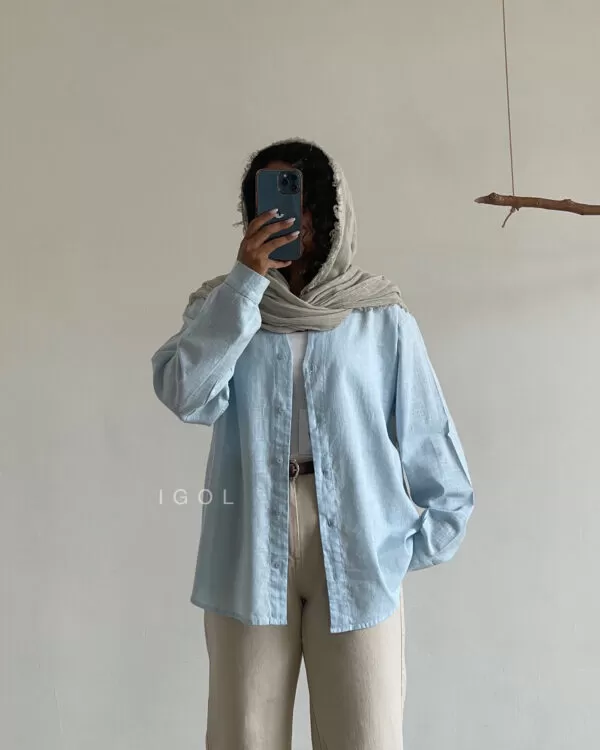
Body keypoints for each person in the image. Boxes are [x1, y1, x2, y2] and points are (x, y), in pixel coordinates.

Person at [151, 137, 474, 749]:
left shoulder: (379, 314)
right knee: (244, 736)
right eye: (269, 202)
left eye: (302, 200)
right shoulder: (223, 305)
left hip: (358, 538)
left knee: (366, 736)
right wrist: (245, 285)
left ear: (330, 213)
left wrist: (402, 546)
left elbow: (429, 436)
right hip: (249, 537)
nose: (287, 217)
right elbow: (185, 394)